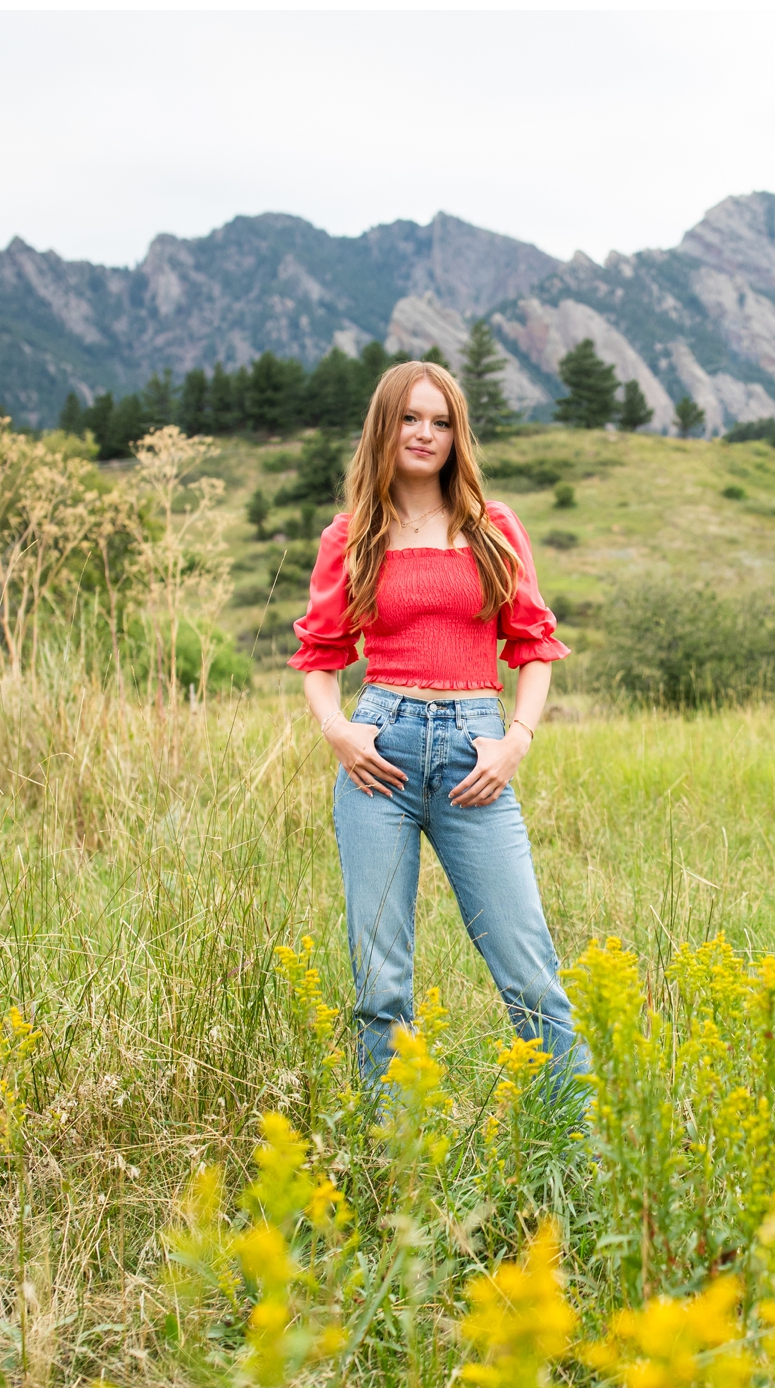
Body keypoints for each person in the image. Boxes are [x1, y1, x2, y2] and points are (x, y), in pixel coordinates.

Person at [291, 360, 586, 1104]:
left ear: (458, 434)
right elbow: (320, 658)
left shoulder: (492, 526)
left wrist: (516, 737)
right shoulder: (352, 535)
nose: (425, 433)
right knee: (381, 984)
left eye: (441, 420)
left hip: (474, 752)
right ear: (383, 427)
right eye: (410, 418)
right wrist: (338, 731)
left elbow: (534, 645)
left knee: (529, 972)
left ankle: (582, 1154)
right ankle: (397, 1163)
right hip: (378, 755)